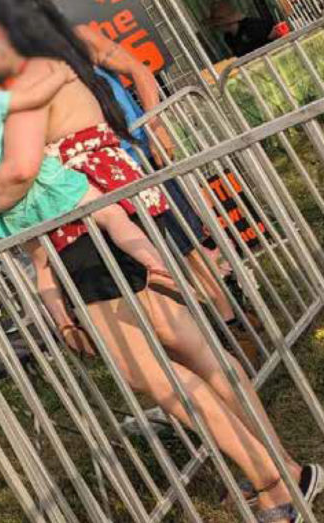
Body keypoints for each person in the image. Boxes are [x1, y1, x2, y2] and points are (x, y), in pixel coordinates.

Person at [0, 1, 321, 520]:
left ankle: (276, 481)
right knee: (196, 357)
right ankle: (284, 470)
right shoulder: (59, 61)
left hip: (88, 229)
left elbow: (18, 172)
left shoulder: (27, 80)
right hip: (125, 207)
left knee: (154, 377)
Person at [0, 48, 177, 334]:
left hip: (10, 209)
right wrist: (59, 78)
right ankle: (157, 268)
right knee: (111, 215)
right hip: (45, 182)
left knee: (41, 264)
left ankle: (64, 324)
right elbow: (35, 98)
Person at [75, 24, 255, 365]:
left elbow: (140, 71)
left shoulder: (79, 37)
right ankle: (204, 341)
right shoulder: (29, 71)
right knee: (153, 264)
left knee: (188, 244)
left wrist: (155, 126)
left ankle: (234, 326)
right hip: (102, 184)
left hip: (139, 157)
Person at [207, 1, 282, 58]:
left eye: (217, 25)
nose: (216, 28)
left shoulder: (253, 26)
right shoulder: (228, 38)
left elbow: (273, 38)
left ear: (226, 23)